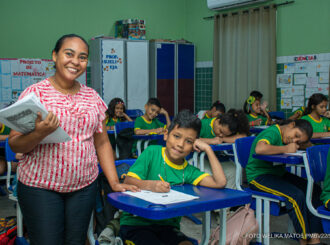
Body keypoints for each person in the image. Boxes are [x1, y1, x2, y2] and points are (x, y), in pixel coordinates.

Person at [8, 34, 138, 245]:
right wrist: (39, 133)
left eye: (82, 57)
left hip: (84, 187)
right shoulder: (35, 94)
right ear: (54, 56)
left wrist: (114, 181)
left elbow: (102, 142)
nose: (75, 61)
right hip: (40, 187)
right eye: (69, 54)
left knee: (75, 242)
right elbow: (14, 143)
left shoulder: (92, 97)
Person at [119, 110, 226, 245]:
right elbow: (128, 181)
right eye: (176, 136)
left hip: (168, 227)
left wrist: (208, 149)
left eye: (188, 141)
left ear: (193, 146)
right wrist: (151, 186)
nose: (180, 144)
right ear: (166, 135)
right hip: (136, 224)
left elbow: (220, 182)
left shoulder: (188, 171)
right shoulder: (152, 152)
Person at [246, 120, 324, 244]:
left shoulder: (288, 137)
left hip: (278, 174)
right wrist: (286, 148)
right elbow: (260, 148)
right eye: (296, 135)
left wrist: (304, 145)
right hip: (258, 177)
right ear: (292, 124)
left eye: (298, 141)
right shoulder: (273, 132)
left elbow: (309, 146)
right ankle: (303, 240)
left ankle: (315, 239)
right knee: (296, 196)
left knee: (315, 190)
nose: (294, 140)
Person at [199, 109, 249, 189]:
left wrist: (223, 139)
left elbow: (243, 136)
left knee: (233, 170)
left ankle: (229, 198)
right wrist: (211, 141)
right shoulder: (202, 124)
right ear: (218, 120)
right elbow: (190, 139)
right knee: (208, 174)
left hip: (216, 160)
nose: (221, 135)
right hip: (199, 159)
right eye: (220, 131)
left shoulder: (225, 131)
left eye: (225, 134)